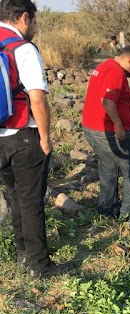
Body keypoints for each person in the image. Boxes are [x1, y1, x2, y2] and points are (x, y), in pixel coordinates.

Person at [0, 0, 66, 278]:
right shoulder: (23, 49)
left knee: (14, 198)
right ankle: (40, 265)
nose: (35, 27)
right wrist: (46, 137)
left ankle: (23, 256)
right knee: (31, 202)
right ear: (24, 17)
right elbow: (37, 99)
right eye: (34, 21)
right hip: (23, 136)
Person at [82, 45, 130, 221]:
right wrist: (119, 125)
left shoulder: (104, 66)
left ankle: (107, 207)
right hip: (109, 130)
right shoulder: (115, 71)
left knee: (108, 166)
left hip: (92, 128)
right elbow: (107, 101)